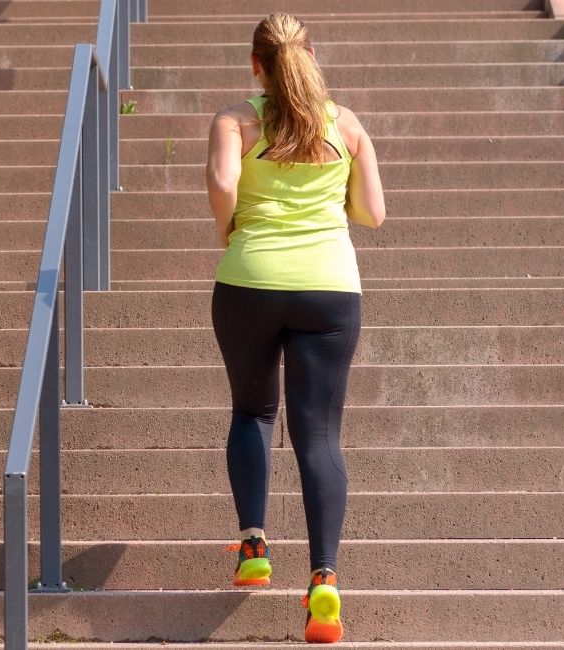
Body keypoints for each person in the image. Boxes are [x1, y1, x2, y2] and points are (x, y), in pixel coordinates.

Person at [204, 12, 386, 644]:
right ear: (312, 55)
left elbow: (225, 182)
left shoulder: (235, 120)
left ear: (257, 63)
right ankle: (325, 584)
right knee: (320, 436)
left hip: (249, 280)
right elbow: (373, 212)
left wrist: (233, 231)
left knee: (252, 412)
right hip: (330, 288)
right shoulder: (347, 124)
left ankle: (254, 546)